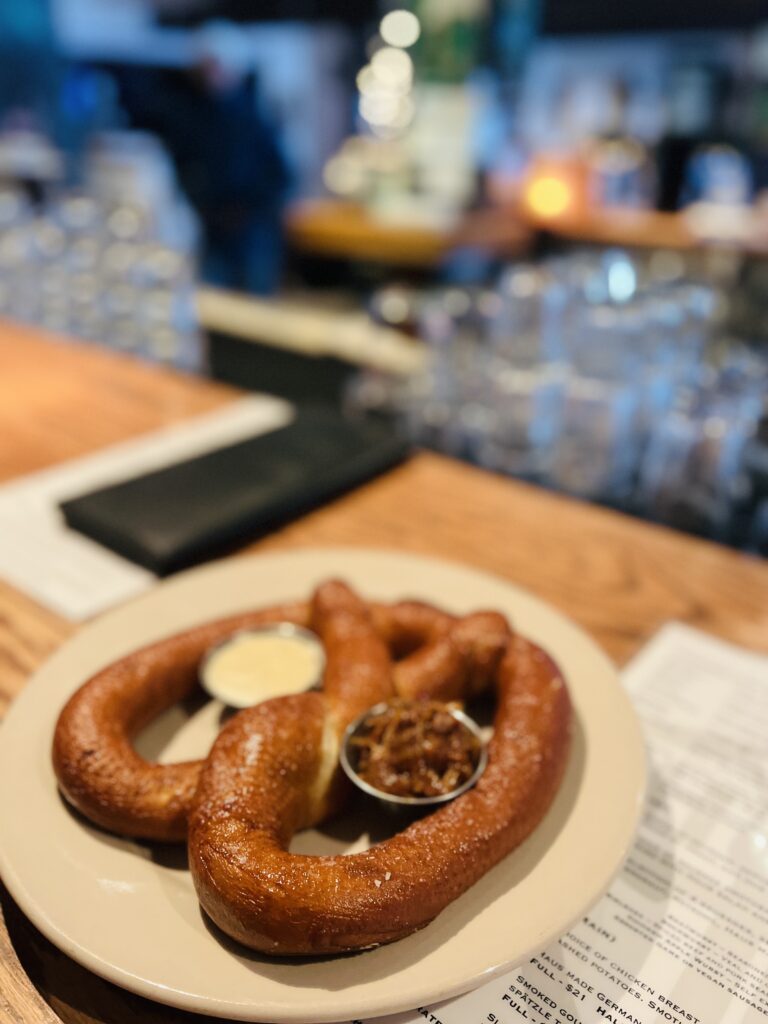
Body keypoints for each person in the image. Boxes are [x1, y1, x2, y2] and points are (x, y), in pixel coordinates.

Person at [114, 21, 292, 294]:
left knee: (255, 303)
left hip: (250, 232)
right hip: (206, 227)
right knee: (210, 300)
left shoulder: (252, 118)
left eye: (218, 65)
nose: (212, 74)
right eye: (206, 66)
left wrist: (249, 210)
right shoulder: (183, 115)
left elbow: (281, 176)